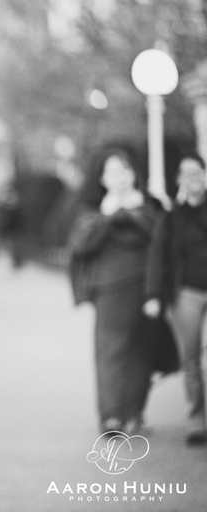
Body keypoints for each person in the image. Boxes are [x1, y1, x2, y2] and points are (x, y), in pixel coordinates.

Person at [68, 145, 159, 435]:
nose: (120, 178)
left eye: (125, 170)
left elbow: (160, 239)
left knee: (142, 352)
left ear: (134, 174)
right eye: (113, 172)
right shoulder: (94, 211)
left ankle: (134, 414)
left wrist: (132, 211)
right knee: (111, 352)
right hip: (110, 290)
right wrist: (109, 214)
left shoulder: (149, 206)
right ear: (102, 179)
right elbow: (81, 246)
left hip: (147, 289)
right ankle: (111, 417)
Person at [144, 155, 207, 445]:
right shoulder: (172, 218)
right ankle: (196, 420)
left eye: (197, 173)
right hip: (186, 294)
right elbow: (158, 258)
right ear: (179, 179)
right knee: (191, 360)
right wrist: (154, 296)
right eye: (186, 174)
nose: (192, 179)